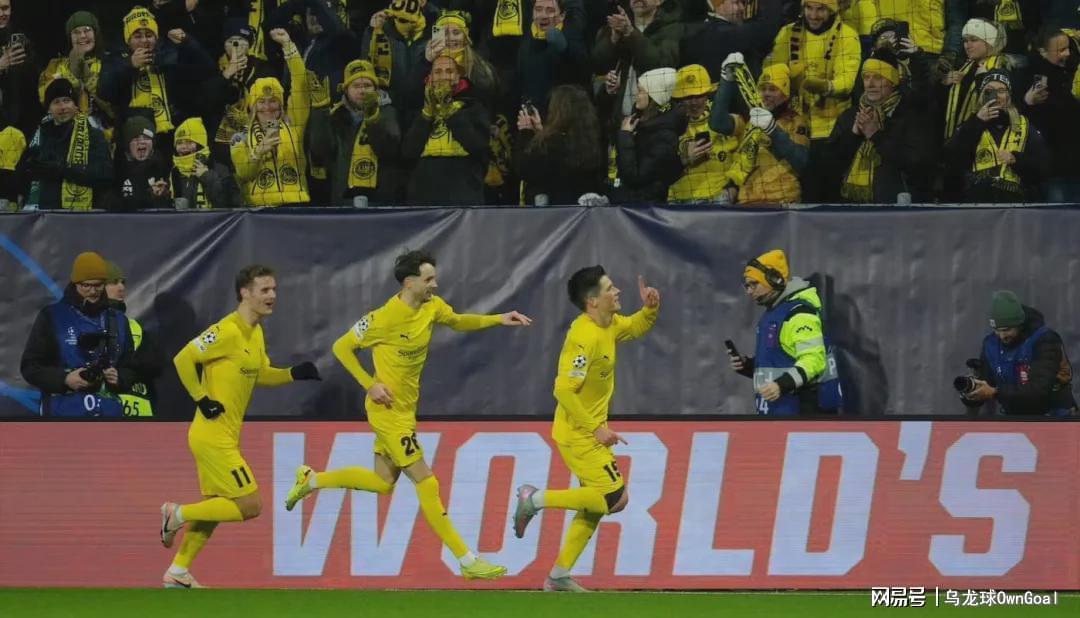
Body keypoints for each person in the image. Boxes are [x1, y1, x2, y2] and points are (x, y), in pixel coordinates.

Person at [283, 249, 532, 580]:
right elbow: (341, 347)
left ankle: (311, 480)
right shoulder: (382, 318)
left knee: (382, 482)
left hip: (405, 410)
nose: (435, 285)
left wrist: (497, 319)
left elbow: (458, 321)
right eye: (429, 279)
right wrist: (370, 384)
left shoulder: (432, 306)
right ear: (409, 282)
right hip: (386, 412)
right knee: (426, 481)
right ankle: (467, 559)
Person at [159, 264, 321, 588]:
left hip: (224, 435)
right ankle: (177, 514)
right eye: (265, 290)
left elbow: (260, 374)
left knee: (216, 508)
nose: (272, 296)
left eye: (274, 289)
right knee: (250, 505)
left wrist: (293, 374)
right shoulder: (227, 330)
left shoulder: (255, 332)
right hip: (212, 435)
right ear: (245, 293)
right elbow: (183, 359)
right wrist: (201, 398)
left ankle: (177, 572)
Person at [512, 266, 660, 592]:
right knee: (614, 498)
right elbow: (563, 390)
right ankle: (534, 498)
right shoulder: (583, 338)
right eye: (610, 288)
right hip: (579, 433)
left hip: (588, 430)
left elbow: (634, 327)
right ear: (593, 301)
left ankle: (558, 576)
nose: (617, 291)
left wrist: (650, 309)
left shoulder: (609, 324)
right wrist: (595, 428)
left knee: (593, 506)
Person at [764, 0, 862, 202]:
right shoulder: (787, 33)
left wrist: (824, 86)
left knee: (828, 195)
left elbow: (847, 82)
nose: (813, 15)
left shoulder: (848, 36)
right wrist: (786, 78)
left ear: (832, 10)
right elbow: (772, 71)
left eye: (820, 9)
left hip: (831, 132)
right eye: (809, 8)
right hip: (794, 129)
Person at [19, 251, 136, 417]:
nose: (93, 291)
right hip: (63, 413)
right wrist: (65, 379)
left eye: (98, 285)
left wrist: (119, 377)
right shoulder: (52, 316)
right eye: (86, 285)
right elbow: (30, 367)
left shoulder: (118, 320)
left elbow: (131, 367)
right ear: (75, 283)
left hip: (109, 414)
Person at [729, 250, 843, 415]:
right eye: (747, 286)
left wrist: (781, 385)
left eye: (754, 284)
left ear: (775, 279)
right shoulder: (775, 313)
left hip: (803, 416)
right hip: (782, 415)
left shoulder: (799, 314)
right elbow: (782, 363)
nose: (749, 291)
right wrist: (749, 366)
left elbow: (814, 360)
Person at [828, 50, 935, 202]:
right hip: (852, 206)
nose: (870, 84)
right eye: (866, 77)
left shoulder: (910, 116)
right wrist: (852, 136)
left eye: (878, 77)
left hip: (894, 206)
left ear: (893, 81)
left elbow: (917, 163)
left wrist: (876, 135)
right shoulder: (850, 116)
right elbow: (831, 165)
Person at [230, 28, 313, 207]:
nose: (267, 107)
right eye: (261, 102)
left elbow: (300, 84)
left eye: (273, 101)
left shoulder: (294, 124)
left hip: (296, 206)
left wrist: (288, 46)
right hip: (259, 211)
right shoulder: (240, 136)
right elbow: (243, 174)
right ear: (253, 106)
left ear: (281, 104)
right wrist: (258, 152)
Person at [960, 290, 1076, 416]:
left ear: (1019, 324)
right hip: (1014, 418)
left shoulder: (1045, 340)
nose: (1002, 336)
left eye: (1007, 329)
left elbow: (1038, 390)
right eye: (997, 330)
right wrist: (972, 394)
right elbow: (986, 386)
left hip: (1054, 417)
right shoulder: (990, 344)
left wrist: (995, 393)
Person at [944, 69, 1050, 203]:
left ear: (1008, 96)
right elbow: (952, 162)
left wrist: (1016, 160)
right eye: (989, 90)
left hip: (1015, 205)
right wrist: (976, 122)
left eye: (1001, 90)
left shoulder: (1024, 125)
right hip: (975, 204)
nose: (996, 96)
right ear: (981, 95)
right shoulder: (968, 125)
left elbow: (1043, 168)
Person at [712, 61, 810, 204]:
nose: (766, 94)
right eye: (763, 89)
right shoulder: (749, 119)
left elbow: (801, 161)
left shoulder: (795, 121)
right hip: (747, 202)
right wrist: (726, 81)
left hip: (782, 201)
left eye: (773, 89)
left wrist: (772, 130)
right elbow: (717, 122)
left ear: (785, 94)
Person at [307, 59, 402, 206]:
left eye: (367, 85)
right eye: (356, 86)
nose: (362, 91)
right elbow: (320, 151)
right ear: (346, 89)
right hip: (343, 200)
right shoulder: (335, 115)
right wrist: (319, 112)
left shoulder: (388, 112)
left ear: (376, 88)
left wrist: (373, 120)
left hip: (381, 202)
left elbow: (389, 150)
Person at [402, 54, 490, 205]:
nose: (443, 76)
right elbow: (408, 152)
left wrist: (450, 112)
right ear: (430, 78)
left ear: (457, 77)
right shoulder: (417, 109)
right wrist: (426, 115)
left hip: (464, 191)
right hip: (423, 193)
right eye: (438, 72)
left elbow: (479, 147)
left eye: (449, 71)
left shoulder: (474, 106)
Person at [23, 78, 112, 210]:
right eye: (56, 102)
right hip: (43, 213)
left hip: (84, 214)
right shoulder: (37, 137)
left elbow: (105, 174)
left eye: (66, 100)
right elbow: (24, 177)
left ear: (75, 105)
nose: (63, 107)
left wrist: (65, 170)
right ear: (48, 109)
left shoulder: (93, 136)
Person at [516, 83, 605, 205]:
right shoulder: (592, 141)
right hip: (583, 211)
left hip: (556, 212)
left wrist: (526, 133)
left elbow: (524, 170)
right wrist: (540, 132)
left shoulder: (552, 144)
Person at [1020, 27, 1080, 202]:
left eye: (1068, 48)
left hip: (1074, 159)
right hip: (1053, 165)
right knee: (1058, 211)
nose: (1067, 53)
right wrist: (1027, 102)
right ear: (1042, 52)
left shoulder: (1072, 69)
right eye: (1061, 50)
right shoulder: (1029, 76)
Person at [667, 63, 740, 203]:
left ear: (708, 94)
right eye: (688, 97)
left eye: (699, 95)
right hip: (678, 200)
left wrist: (734, 186)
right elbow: (658, 170)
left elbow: (743, 155)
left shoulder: (727, 121)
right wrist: (682, 160)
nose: (694, 102)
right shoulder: (670, 125)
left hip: (719, 197)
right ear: (680, 99)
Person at [612, 66, 683, 202]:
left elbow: (635, 177)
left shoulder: (665, 136)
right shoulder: (641, 122)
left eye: (640, 91)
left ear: (654, 96)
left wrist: (625, 136)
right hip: (631, 202)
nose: (636, 96)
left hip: (645, 207)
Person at [37, 11, 113, 135]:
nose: (82, 36)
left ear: (96, 33)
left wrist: (88, 77)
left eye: (87, 30)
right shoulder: (56, 65)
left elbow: (114, 104)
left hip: (103, 131)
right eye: (76, 32)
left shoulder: (110, 62)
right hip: (64, 132)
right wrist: (72, 74)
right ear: (70, 38)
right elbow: (45, 98)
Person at [104, 260, 163, 417]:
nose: (121, 287)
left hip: (136, 418)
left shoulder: (135, 328)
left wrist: (123, 376)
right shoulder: (79, 326)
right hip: (94, 418)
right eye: (114, 282)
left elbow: (154, 364)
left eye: (122, 282)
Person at [169, 116, 241, 209]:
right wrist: (161, 197)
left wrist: (207, 177)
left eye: (189, 142)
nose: (183, 147)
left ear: (200, 144)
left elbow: (231, 206)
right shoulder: (174, 173)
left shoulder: (221, 170)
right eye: (179, 143)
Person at [105, 113, 171, 212]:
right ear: (127, 145)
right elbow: (110, 204)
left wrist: (161, 196)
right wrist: (146, 196)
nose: (141, 142)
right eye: (136, 139)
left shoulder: (163, 168)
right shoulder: (116, 169)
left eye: (146, 138)